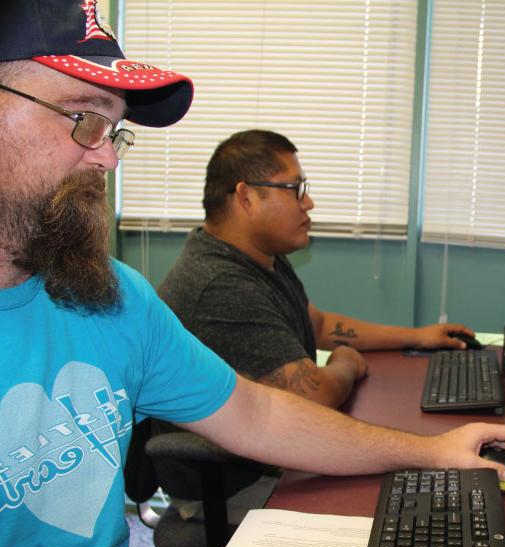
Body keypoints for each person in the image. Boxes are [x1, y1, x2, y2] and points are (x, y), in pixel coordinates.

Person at [0, 2, 505, 547]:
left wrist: (431, 453)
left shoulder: (111, 296)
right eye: (83, 117)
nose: (108, 156)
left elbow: (257, 414)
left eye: (115, 131)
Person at [159, 130, 477, 409]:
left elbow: (319, 325)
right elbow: (315, 395)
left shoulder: (257, 255)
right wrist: (346, 361)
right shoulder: (221, 284)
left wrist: (417, 337)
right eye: (296, 188)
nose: (308, 202)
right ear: (247, 197)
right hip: (244, 474)